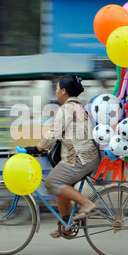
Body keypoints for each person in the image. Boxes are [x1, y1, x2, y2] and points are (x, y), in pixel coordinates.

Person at [23, 74, 101, 238]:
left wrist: (35, 148)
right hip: (89, 157)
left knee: (52, 182)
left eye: (57, 88)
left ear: (64, 91)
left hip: (80, 158)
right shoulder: (80, 106)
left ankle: (87, 204)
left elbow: (53, 134)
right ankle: (67, 224)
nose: (56, 91)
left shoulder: (66, 109)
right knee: (60, 185)